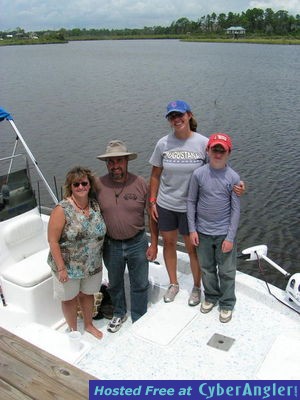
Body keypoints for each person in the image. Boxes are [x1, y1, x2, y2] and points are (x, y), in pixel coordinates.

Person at [149, 100, 244, 305]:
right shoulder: (163, 143)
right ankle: (173, 284)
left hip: (192, 208)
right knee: (169, 244)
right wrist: (152, 200)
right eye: (172, 117)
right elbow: (155, 174)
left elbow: (220, 167)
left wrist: (238, 185)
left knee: (193, 249)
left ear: (189, 115)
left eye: (180, 115)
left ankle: (197, 287)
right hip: (166, 204)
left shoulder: (203, 142)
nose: (176, 119)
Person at [96, 140, 158, 333]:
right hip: (111, 244)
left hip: (137, 242)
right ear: (107, 164)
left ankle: (139, 317)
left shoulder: (140, 183)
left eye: (119, 161)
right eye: (111, 162)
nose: (115, 166)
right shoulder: (97, 185)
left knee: (139, 283)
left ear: (126, 162)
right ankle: (119, 313)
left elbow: (152, 215)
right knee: (114, 284)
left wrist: (154, 244)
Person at [47, 166, 106, 339]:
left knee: (88, 295)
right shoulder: (62, 209)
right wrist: (61, 268)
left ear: (89, 185)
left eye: (84, 183)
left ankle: (88, 325)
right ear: (70, 187)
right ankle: (73, 330)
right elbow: (53, 240)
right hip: (68, 266)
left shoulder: (95, 204)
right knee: (69, 298)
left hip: (92, 264)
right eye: (76, 184)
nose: (81, 187)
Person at [187, 133, 240, 323]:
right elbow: (191, 202)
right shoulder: (198, 174)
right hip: (202, 232)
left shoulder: (233, 178)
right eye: (214, 149)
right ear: (207, 151)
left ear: (228, 153)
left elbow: (235, 210)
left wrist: (230, 237)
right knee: (207, 268)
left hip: (224, 233)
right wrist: (192, 229)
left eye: (221, 150)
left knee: (226, 271)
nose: (217, 153)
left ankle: (226, 303)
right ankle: (211, 296)